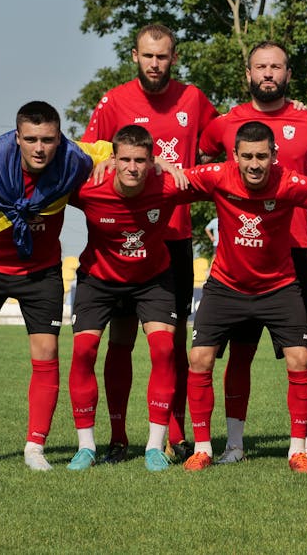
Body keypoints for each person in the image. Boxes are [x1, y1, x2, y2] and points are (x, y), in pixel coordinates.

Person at [182, 122, 307, 473]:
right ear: (234, 156)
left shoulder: (289, 182)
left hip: (279, 287)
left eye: (261, 156)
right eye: (247, 156)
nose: (254, 163)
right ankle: (205, 448)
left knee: (300, 357)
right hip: (226, 285)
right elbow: (170, 183)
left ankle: (298, 450)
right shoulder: (218, 175)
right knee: (199, 357)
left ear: (274, 156)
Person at [0, 101, 110, 471]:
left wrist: (119, 160)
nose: (40, 148)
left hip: (41, 272)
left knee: (46, 354)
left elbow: (116, 150)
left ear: (59, 138)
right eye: (32, 139)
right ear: (17, 137)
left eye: (48, 139)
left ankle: (35, 448)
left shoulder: (73, 158)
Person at [82, 23, 219, 463]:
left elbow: (228, 138)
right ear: (135, 57)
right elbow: (87, 153)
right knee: (119, 338)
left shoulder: (193, 99)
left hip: (172, 236)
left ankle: (173, 432)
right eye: (148, 55)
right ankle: (118, 438)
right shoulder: (114, 100)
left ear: (173, 58)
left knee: (171, 340)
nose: (155, 64)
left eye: (162, 56)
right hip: (118, 239)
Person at [197, 41, 307, 466]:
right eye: (261, 67)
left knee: (303, 355)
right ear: (249, 74)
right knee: (239, 354)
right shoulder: (226, 123)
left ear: (288, 74)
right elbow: (203, 161)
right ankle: (234, 445)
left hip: (294, 252)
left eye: (276, 66)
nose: (268, 73)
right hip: (242, 258)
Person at [66, 125, 197, 472]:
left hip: (152, 279)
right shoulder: (88, 188)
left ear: (152, 162)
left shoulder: (166, 184)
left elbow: (221, 182)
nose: (132, 167)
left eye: (140, 160)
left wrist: (172, 166)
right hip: (99, 280)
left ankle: (155, 446)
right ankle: (90, 446)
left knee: (165, 349)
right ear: (112, 159)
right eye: (125, 159)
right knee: (84, 351)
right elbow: (53, 162)